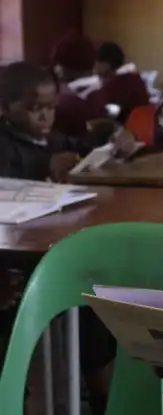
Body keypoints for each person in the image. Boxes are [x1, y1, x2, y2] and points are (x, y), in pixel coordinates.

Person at [0, 61, 119, 415]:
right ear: (5, 108)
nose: (45, 116)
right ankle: (15, 396)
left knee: (94, 304)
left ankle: (101, 395)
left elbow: (80, 150)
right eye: (34, 108)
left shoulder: (54, 139)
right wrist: (44, 171)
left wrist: (109, 145)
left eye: (51, 107)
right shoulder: (4, 147)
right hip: (16, 260)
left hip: (58, 250)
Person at [50, 32, 105, 138]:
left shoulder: (67, 101)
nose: (55, 69)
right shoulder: (100, 89)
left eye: (58, 64)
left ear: (70, 66)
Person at [89, 41, 150, 124]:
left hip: (126, 127)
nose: (94, 67)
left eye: (96, 63)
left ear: (106, 64)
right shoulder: (133, 77)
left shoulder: (117, 84)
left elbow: (97, 108)